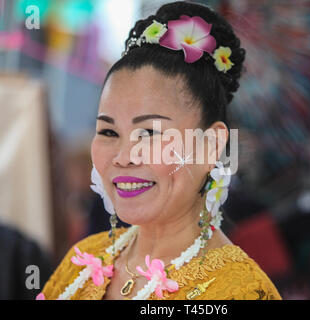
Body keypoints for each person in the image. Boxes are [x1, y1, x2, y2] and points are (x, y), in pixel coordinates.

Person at [40, 1, 282, 300]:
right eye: (108, 132)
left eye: (149, 133)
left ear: (210, 145)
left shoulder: (239, 292)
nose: (124, 156)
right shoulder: (84, 260)